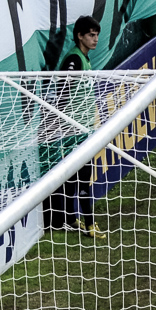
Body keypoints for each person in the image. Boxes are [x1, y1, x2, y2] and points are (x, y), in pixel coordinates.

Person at [47, 15, 105, 239]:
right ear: (80, 36)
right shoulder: (74, 60)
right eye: (91, 35)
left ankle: (70, 219)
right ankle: (90, 224)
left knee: (75, 178)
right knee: (83, 177)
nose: (96, 39)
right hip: (74, 131)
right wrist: (66, 123)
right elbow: (62, 92)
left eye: (97, 34)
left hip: (83, 128)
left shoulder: (84, 58)